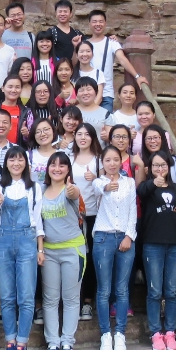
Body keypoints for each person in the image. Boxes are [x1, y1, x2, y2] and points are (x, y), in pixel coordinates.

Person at [0, 145, 44, 350]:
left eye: (20, 159)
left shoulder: (34, 187)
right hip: (3, 241)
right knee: (6, 296)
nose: (16, 163)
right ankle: (10, 342)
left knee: (26, 296)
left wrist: (40, 249)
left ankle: (22, 344)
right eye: (12, 160)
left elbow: (38, 220)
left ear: (26, 163)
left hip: (27, 240)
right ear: (6, 163)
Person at [137, 150, 176, 350]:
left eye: (163, 165)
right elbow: (141, 192)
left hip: (175, 245)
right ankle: (155, 333)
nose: (160, 169)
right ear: (150, 168)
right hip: (153, 244)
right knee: (154, 291)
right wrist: (153, 183)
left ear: (169, 167)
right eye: (156, 166)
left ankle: (170, 332)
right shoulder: (147, 187)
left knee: (171, 291)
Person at [37, 151, 84, 350]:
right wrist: (40, 249)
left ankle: (67, 341)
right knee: (50, 299)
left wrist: (72, 189)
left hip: (73, 250)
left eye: (62, 165)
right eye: (53, 164)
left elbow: (74, 194)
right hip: (48, 251)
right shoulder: (40, 190)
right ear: (47, 168)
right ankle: (52, 342)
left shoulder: (70, 189)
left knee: (71, 298)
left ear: (68, 169)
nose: (57, 168)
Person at [90, 146, 135, 350]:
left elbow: (133, 211)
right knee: (104, 289)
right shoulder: (98, 182)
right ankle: (105, 334)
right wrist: (108, 186)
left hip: (124, 236)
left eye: (116, 159)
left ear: (121, 161)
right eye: (108, 160)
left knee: (122, 289)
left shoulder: (130, 183)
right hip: (103, 237)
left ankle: (120, 333)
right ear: (103, 163)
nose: (112, 163)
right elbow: (100, 189)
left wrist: (129, 236)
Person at [70, 123, 102, 321]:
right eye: (79, 134)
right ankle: (73, 301)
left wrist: (96, 178)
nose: (83, 138)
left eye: (87, 134)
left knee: (90, 259)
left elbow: (107, 184)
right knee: (74, 259)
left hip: (94, 215)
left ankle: (88, 302)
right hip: (72, 216)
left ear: (92, 137)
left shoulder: (99, 159)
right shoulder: (69, 158)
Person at [133, 124, 176, 218]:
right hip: (151, 213)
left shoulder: (175, 161)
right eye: (149, 138)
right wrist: (142, 168)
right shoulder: (140, 161)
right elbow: (140, 189)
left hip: (172, 210)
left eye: (156, 137)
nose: (153, 141)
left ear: (162, 139)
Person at [86, 10, 147, 111]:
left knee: (106, 120)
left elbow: (122, 59)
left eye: (101, 21)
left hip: (106, 93)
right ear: (89, 24)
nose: (98, 24)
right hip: (86, 92)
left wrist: (137, 76)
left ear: (105, 23)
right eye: (94, 21)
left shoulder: (112, 43)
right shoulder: (84, 44)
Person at [0, 77, 33, 146]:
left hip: (18, 150)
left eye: (17, 87)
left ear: (21, 90)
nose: (13, 90)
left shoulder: (27, 112)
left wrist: (26, 134)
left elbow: (32, 138)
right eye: (10, 87)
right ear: (2, 88)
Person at [27, 118, 65, 184]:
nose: (43, 134)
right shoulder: (28, 156)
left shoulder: (62, 155)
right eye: (38, 132)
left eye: (46, 129)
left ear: (53, 131)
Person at [74, 41, 105, 105]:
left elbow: (99, 97)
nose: (85, 54)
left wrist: (90, 109)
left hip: (94, 108)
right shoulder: (72, 73)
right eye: (81, 51)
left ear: (92, 54)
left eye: (88, 51)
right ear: (77, 55)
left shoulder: (98, 73)